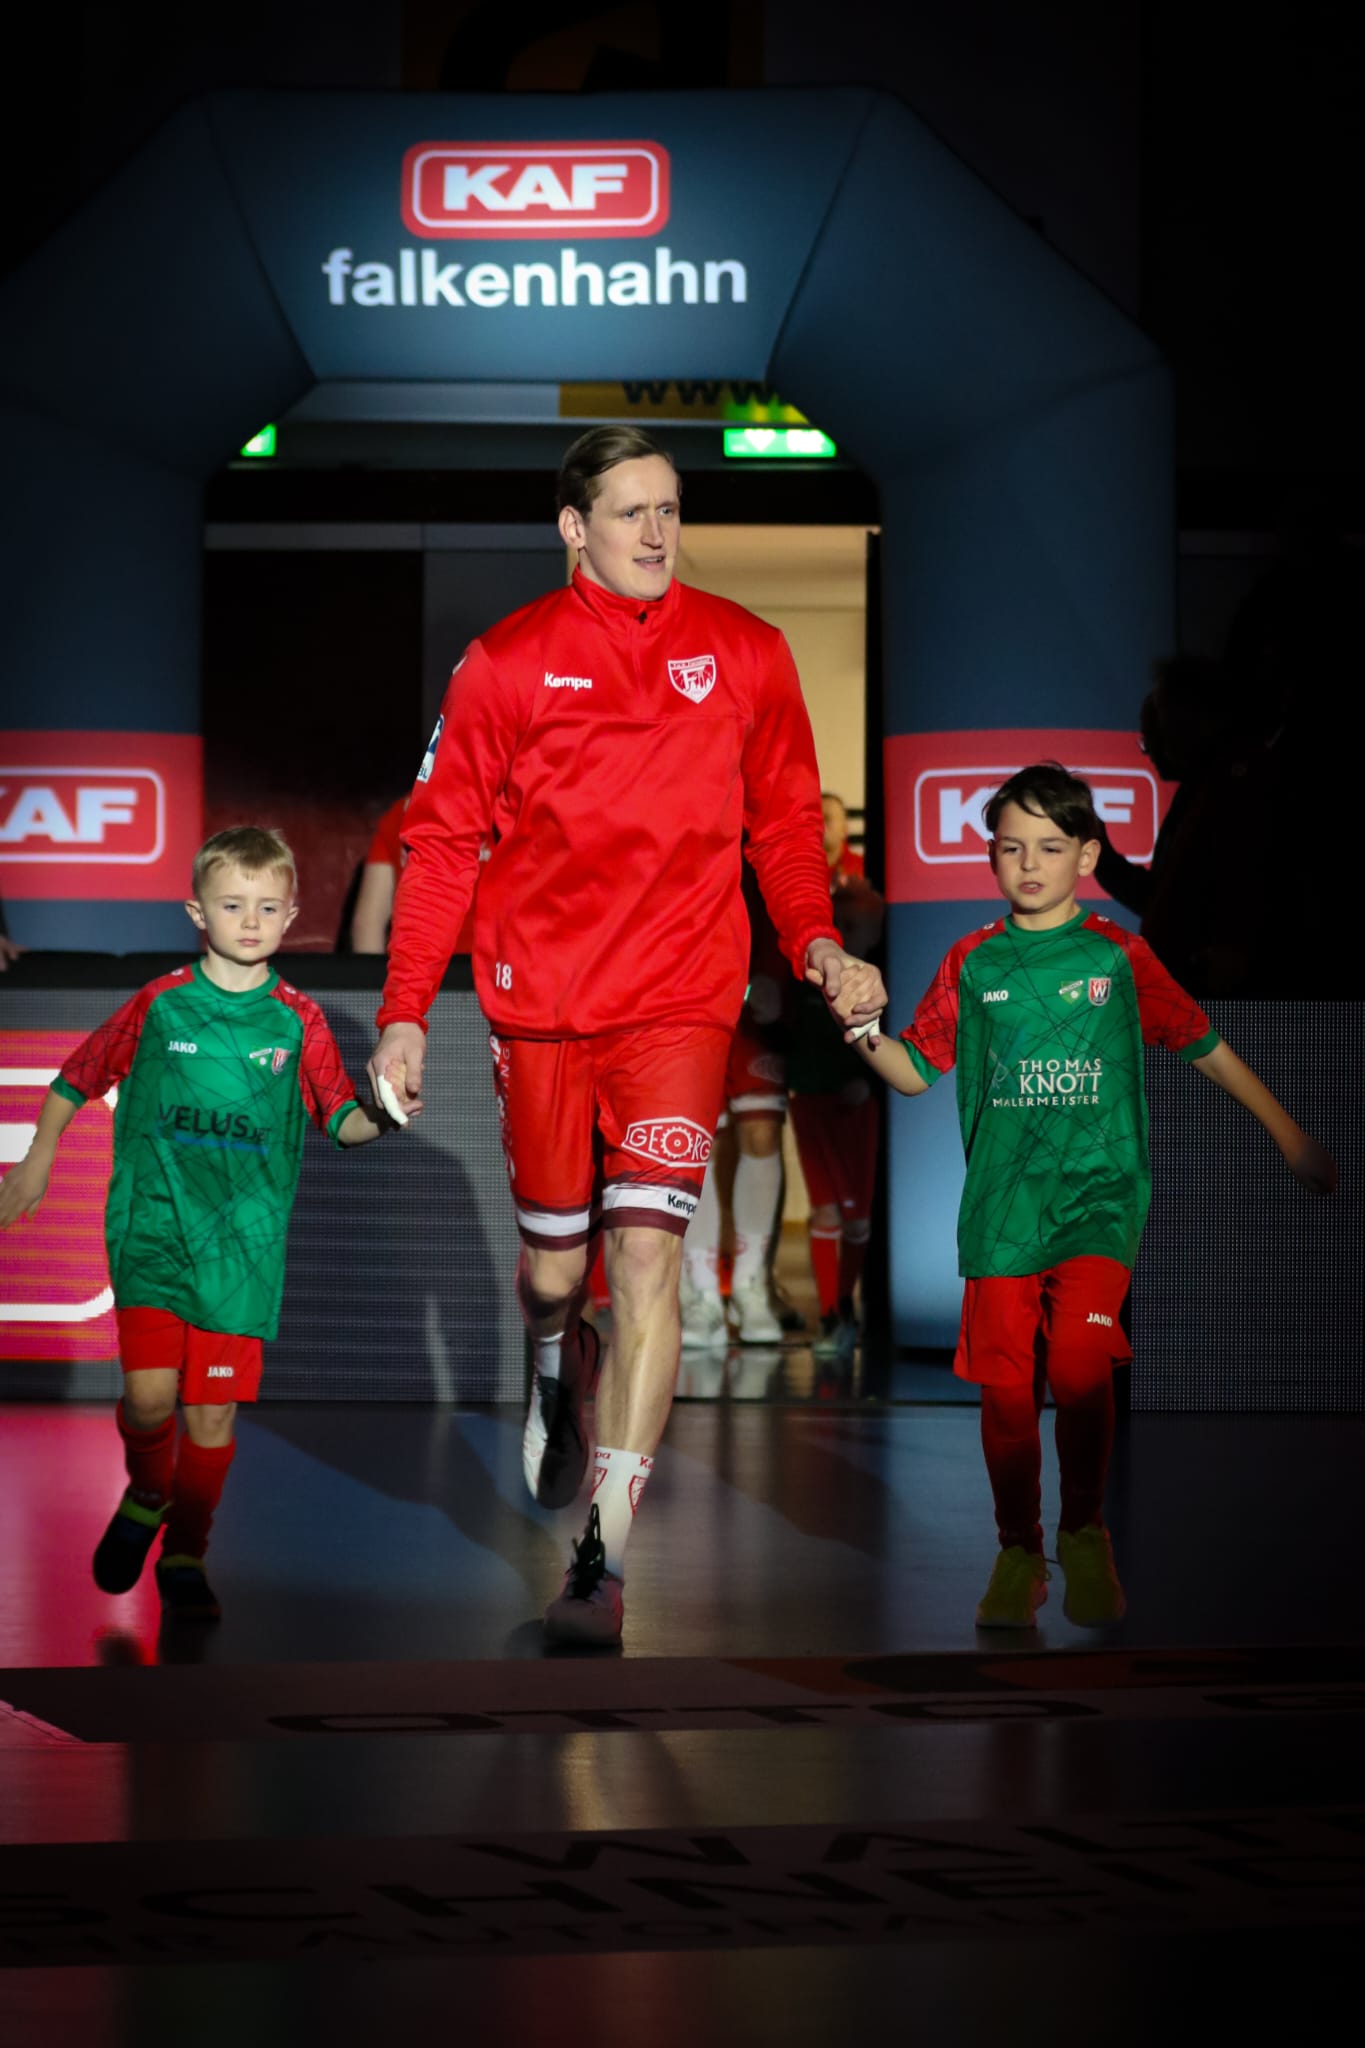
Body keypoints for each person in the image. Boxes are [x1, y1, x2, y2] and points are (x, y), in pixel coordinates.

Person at [368, 426, 886, 1646]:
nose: (657, 532)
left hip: (680, 1001)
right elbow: (440, 847)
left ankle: (599, 1560)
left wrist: (814, 941)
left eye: (670, 508)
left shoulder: (748, 651)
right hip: (542, 1004)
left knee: (647, 1259)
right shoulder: (504, 662)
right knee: (558, 1270)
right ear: (573, 526)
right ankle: (556, 1351)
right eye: (630, 510)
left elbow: (782, 829)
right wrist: (402, 1012)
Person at [847, 762, 1335, 1630]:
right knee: (1005, 1391)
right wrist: (855, 1024)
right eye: (1010, 848)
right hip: (1002, 1210)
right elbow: (915, 1071)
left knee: (1076, 1368)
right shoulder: (972, 960)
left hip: (1099, 1201)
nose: (1027, 863)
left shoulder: (1118, 954)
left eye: (1049, 846)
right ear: (990, 857)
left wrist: (1287, 1133)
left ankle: (1082, 1532)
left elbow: (1202, 1043)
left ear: (1085, 856)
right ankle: (1016, 1552)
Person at [0, 826, 393, 1621]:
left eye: (268, 907)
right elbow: (77, 1077)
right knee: (150, 1402)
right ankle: (148, 1492)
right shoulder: (160, 1002)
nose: (250, 920)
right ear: (197, 912)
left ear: (291, 918)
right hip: (151, 1231)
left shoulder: (299, 1020)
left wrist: (386, 1111)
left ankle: (185, 1550)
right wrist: (38, 1158)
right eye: (232, 904)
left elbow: (342, 1120)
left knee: (210, 1414)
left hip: (242, 1253)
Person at [679, 869, 792, 1349]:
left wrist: (776, 972)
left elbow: (784, 885)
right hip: (685, 990)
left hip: (754, 987)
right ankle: (701, 1291)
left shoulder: (753, 837)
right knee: (694, 1140)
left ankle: (750, 1287)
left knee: (762, 1133)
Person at [787, 841, 885, 1361]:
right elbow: (784, 1027)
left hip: (857, 1110)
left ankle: (845, 1307)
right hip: (812, 1103)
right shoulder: (808, 977)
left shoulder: (884, 980)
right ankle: (830, 1313)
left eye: (856, 925)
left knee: (856, 1214)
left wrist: (867, 1083)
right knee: (825, 1208)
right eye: (839, 924)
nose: (846, 936)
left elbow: (897, 1046)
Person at [349, 793, 486, 955]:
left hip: (418, 964)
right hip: (491, 965)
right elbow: (367, 924)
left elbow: (368, 924)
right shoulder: (507, 809)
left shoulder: (401, 813)